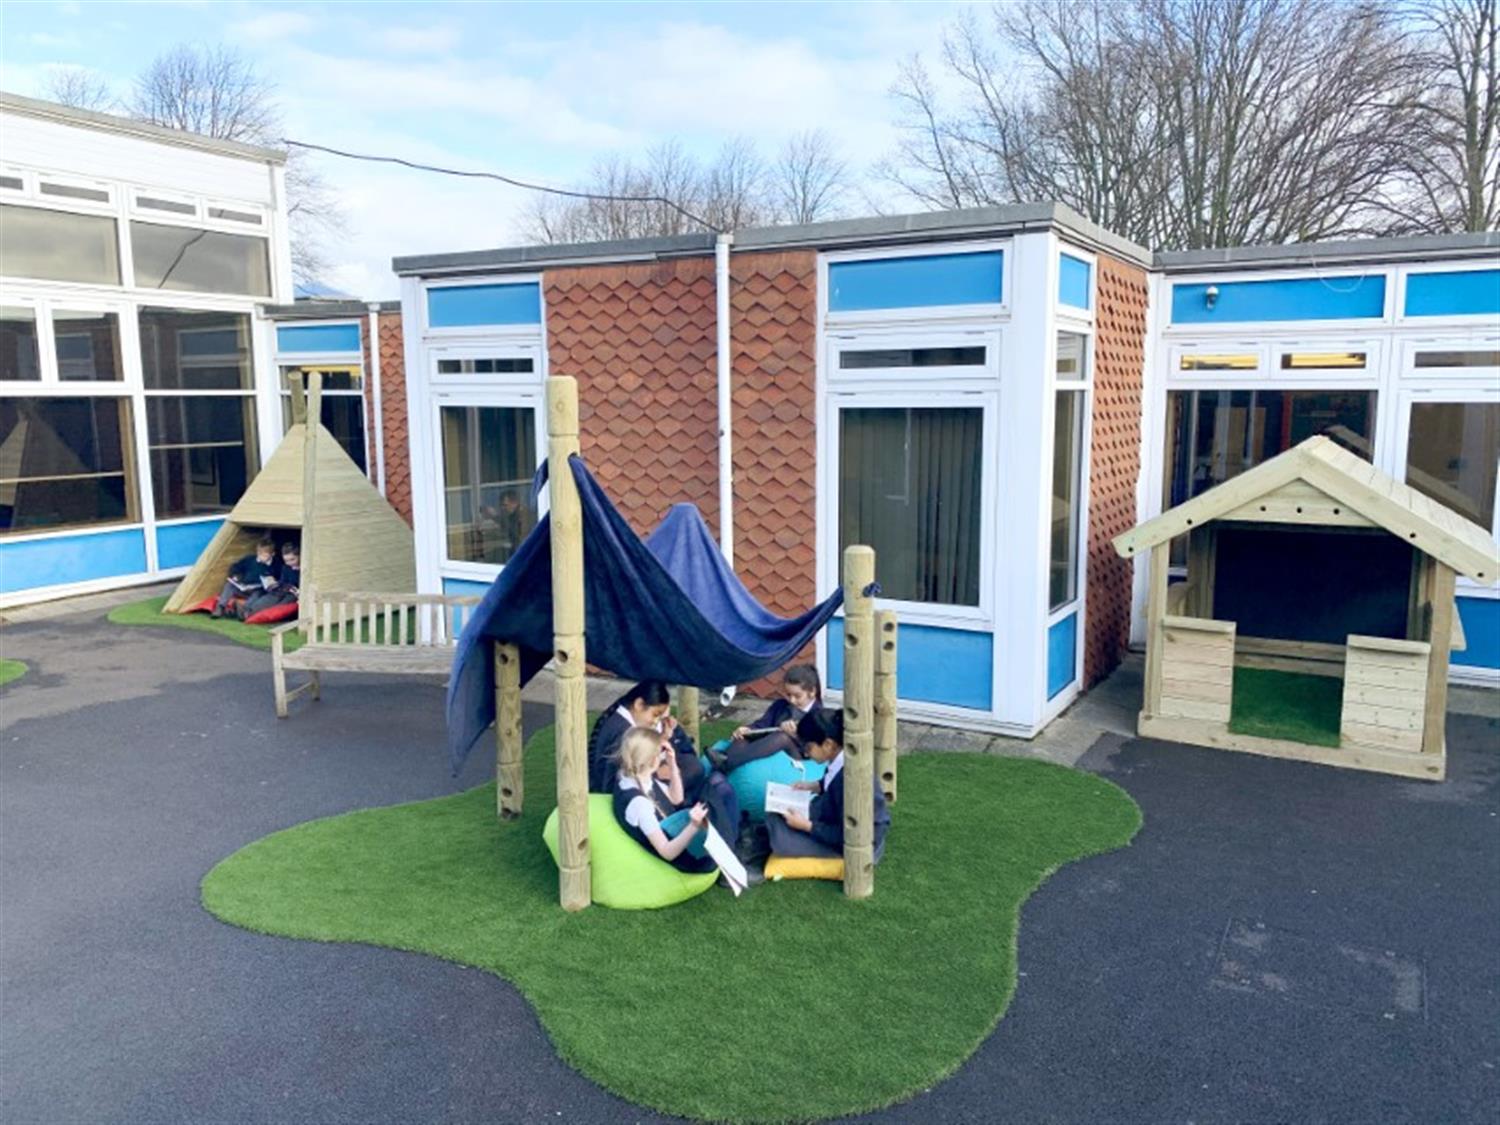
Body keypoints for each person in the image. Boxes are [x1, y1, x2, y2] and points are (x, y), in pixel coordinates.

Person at [588, 679, 741, 850]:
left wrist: (667, 754)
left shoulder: (626, 730)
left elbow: (673, 796)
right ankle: (730, 845)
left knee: (712, 781)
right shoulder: (638, 800)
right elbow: (667, 848)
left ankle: (730, 841)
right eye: (655, 715)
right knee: (717, 786)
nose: (656, 723)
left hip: (661, 799)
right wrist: (691, 825)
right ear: (639, 705)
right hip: (666, 821)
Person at [765, 707, 891, 862]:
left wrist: (807, 826)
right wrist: (813, 786)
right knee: (777, 817)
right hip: (835, 819)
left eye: (808, 747)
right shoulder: (839, 761)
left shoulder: (849, 780)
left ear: (828, 744)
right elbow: (831, 782)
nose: (806, 754)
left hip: (859, 843)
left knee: (780, 838)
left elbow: (852, 833)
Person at [610, 727, 713, 873]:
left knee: (714, 787)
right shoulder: (640, 804)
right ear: (653, 760)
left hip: (670, 825)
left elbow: (676, 799)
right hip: (686, 859)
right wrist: (694, 826)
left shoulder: (632, 775)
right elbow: (667, 852)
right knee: (717, 786)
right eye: (661, 753)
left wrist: (672, 764)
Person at [719, 664, 822, 772]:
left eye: (797, 696)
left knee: (782, 737)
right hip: (770, 748)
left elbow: (817, 749)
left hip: (800, 756)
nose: (792, 700)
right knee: (742, 738)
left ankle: (726, 763)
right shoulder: (780, 705)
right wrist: (747, 729)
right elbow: (762, 724)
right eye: (788, 694)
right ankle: (725, 766)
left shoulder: (819, 716)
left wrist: (795, 736)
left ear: (812, 692)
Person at [212, 536, 277, 618]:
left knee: (258, 593)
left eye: (264, 555)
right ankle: (220, 607)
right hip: (243, 587)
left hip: (258, 590)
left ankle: (244, 610)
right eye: (259, 554)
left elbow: (277, 580)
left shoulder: (276, 565)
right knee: (229, 585)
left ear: (272, 554)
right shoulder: (250, 559)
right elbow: (235, 567)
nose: (261, 557)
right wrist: (235, 576)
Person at [241, 542, 300, 620]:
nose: (289, 563)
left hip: (293, 595)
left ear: (299, 556)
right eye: (286, 560)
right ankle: (248, 611)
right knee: (268, 599)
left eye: (292, 559)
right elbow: (283, 581)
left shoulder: (303, 569)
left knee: (281, 605)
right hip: (282, 590)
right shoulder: (286, 567)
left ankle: (251, 613)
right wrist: (274, 583)